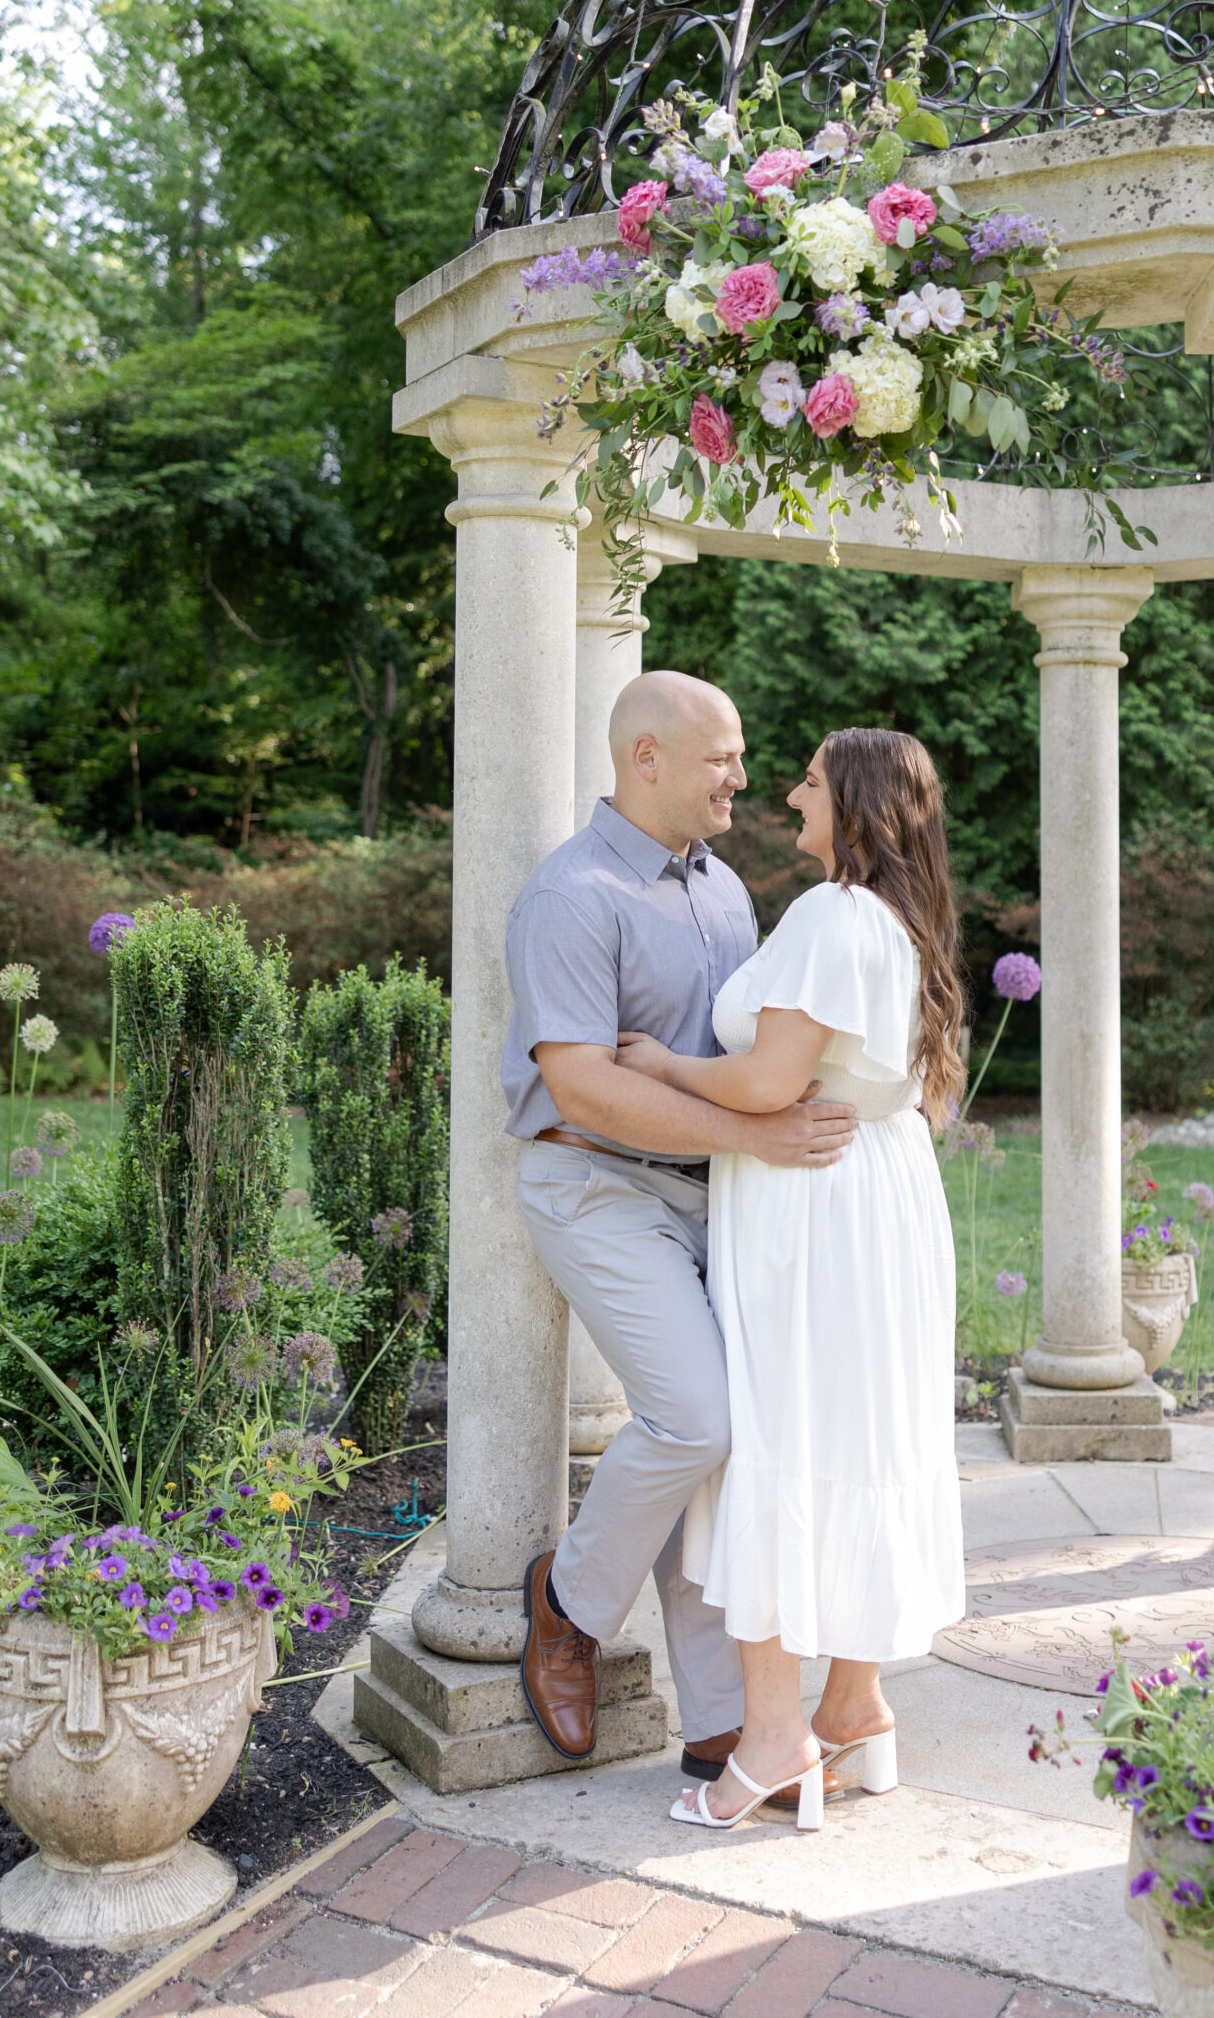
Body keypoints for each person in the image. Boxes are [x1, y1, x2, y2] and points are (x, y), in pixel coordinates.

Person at [503, 670, 859, 1775]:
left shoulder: (726, 890)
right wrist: (757, 1136)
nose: (743, 778)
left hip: (716, 1191)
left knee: (736, 1433)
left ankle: (722, 1717)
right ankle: (567, 1605)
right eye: (722, 757)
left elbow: (741, 1059)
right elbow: (584, 1088)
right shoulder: (569, 896)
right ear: (644, 757)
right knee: (696, 1416)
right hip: (595, 1182)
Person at [617, 727, 967, 1833]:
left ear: (854, 803)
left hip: (812, 1207)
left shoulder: (830, 914)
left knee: (777, 1435)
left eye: (810, 781)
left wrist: (665, 1067)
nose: (788, 794)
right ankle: (854, 1706)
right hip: (884, 1193)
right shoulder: (907, 924)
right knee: (860, 1434)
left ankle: (772, 1740)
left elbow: (771, 1081)